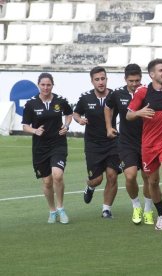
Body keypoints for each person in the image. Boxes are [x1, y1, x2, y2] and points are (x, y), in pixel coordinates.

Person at [126, 58, 162, 231]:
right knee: (152, 182)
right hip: (149, 144)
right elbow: (129, 115)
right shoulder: (142, 92)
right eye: (161, 70)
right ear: (152, 74)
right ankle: (160, 214)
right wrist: (139, 112)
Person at [104, 64, 154, 225]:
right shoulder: (117, 93)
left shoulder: (148, 92)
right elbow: (107, 107)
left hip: (147, 141)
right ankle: (136, 205)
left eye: (137, 80)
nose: (134, 84)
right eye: (131, 80)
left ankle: (147, 209)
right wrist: (109, 126)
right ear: (125, 79)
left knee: (148, 177)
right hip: (126, 142)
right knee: (130, 175)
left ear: (142, 78)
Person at [22, 73, 72, 224]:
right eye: (43, 85)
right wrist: (35, 131)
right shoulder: (31, 104)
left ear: (52, 85)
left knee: (57, 175)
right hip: (40, 148)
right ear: (38, 85)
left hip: (58, 144)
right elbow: (25, 126)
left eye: (48, 84)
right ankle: (52, 211)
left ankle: (61, 208)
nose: (45, 87)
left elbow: (69, 114)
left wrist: (66, 125)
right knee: (47, 182)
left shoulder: (60, 100)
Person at [73, 66, 121, 218]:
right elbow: (75, 113)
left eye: (103, 78)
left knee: (112, 175)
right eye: (97, 79)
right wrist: (79, 119)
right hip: (93, 144)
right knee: (97, 179)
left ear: (107, 79)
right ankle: (90, 187)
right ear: (92, 81)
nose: (101, 82)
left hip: (112, 142)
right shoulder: (85, 97)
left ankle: (106, 209)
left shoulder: (115, 95)